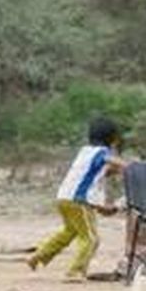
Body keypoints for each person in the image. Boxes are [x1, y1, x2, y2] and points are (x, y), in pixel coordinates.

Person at [29, 116, 126, 279]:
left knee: (69, 232)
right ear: (113, 139)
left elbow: (95, 173)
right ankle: (75, 271)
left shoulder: (85, 151)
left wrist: (115, 171)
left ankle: (38, 256)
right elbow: (108, 160)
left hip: (63, 198)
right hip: (78, 201)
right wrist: (129, 166)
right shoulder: (102, 152)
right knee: (90, 238)